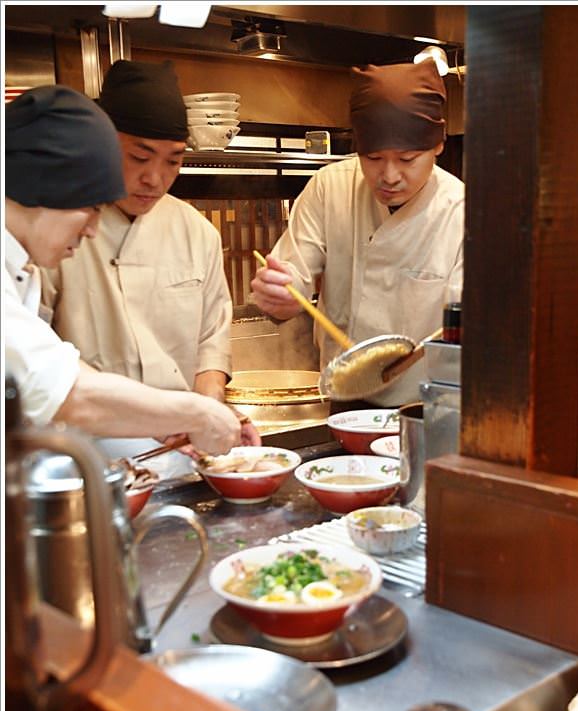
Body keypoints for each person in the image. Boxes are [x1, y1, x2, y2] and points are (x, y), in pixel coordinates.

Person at [4, 84, 241, 455]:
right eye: (92, 207)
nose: (93, 230)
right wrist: (195, 414)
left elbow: (56, 375)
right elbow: (68, 394)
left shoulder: (20, 265)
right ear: (51, 186)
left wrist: (188, 413)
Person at [251, 59, 464, 408]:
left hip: (424, 411)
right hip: (341, 403)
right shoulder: (330, 188)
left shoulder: (461, 211)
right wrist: (280, 296)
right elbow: (292, 283)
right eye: (373, 157)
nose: (390, 175)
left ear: (438, 145)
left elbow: (465, 328)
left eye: (408, 159)